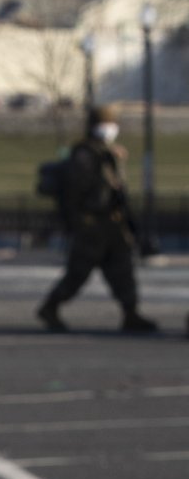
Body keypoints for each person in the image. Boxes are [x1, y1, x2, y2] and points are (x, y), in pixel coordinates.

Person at [38, 108, 158, 335]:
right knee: (78, 271)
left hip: (112, 224)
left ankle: (130, 312)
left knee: (122, 269)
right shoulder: (84, 154)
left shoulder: (106, 152)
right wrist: (79, 222)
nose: (111, 129)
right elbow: (76, 193)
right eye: (108, 124)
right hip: (92, 224)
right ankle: (50, 307)